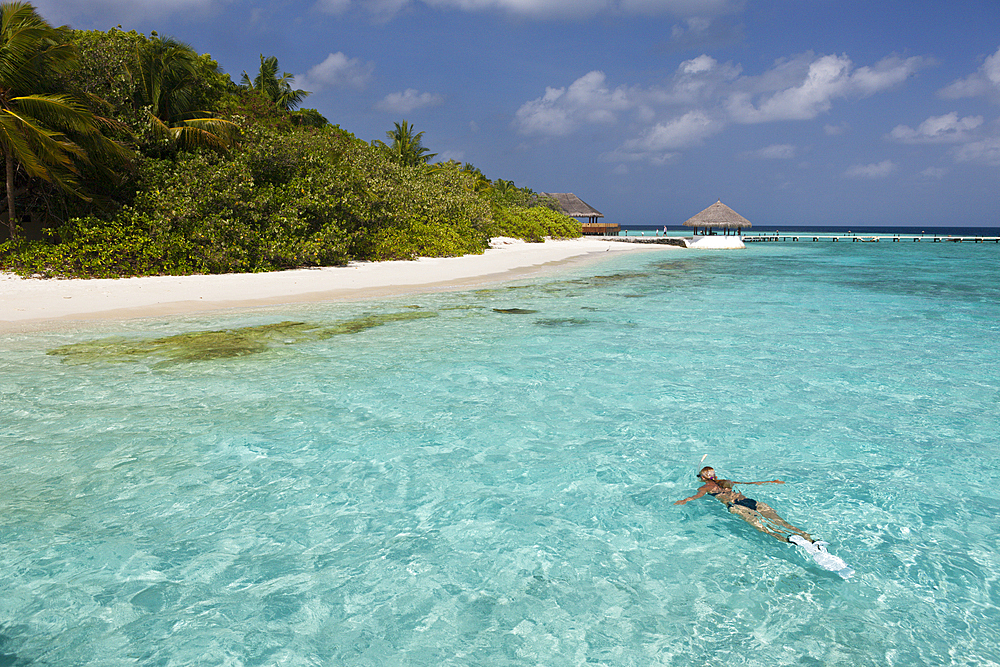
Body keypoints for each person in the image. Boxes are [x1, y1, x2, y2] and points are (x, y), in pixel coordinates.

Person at [674, 466, 813, 543]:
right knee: (782, 522)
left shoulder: (704, 488)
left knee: (765, 527)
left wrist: (684, 500)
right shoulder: (727, 481)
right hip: (749, 501)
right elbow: (751, 483)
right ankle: (808, 537)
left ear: (703, 478)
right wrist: (772, 481)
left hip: (737, 507)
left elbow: (696, 496)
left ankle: (788, 540)